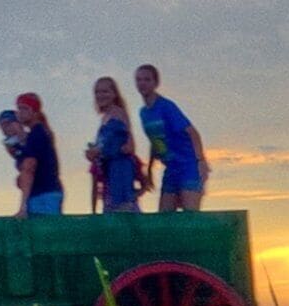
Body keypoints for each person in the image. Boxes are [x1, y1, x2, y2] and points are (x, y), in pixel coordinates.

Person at [136, 63, 207, 211]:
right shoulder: (144, 113)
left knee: (190, 216)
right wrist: (149, 169)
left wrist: (201, 161)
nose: (142, 83)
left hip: (188, 165)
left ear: (155, 83)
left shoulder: (166, 106)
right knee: (165, 215)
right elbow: (155, 140)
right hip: (170, 168)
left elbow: (192, 133)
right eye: (139, 79)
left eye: (147, 79)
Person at [88, 77, 146, 212]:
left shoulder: (118, 113)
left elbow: (129, 146)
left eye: (105, 91)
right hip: (109, 176)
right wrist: (93, 153)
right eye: (97, 92)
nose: (100, 95)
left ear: (114, 94)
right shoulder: (104, 118)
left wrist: (100, 151)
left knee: (123, 212)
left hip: (120, 171)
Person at [1, 95, 64, 215]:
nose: (20, 113)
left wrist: (23, 206)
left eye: (24, 109)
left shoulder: (37, 134)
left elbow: (29, 167)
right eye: (19, 109)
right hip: (43, 194)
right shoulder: (34, 135)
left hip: (44, 195)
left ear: (34, 112)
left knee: (44, 231)